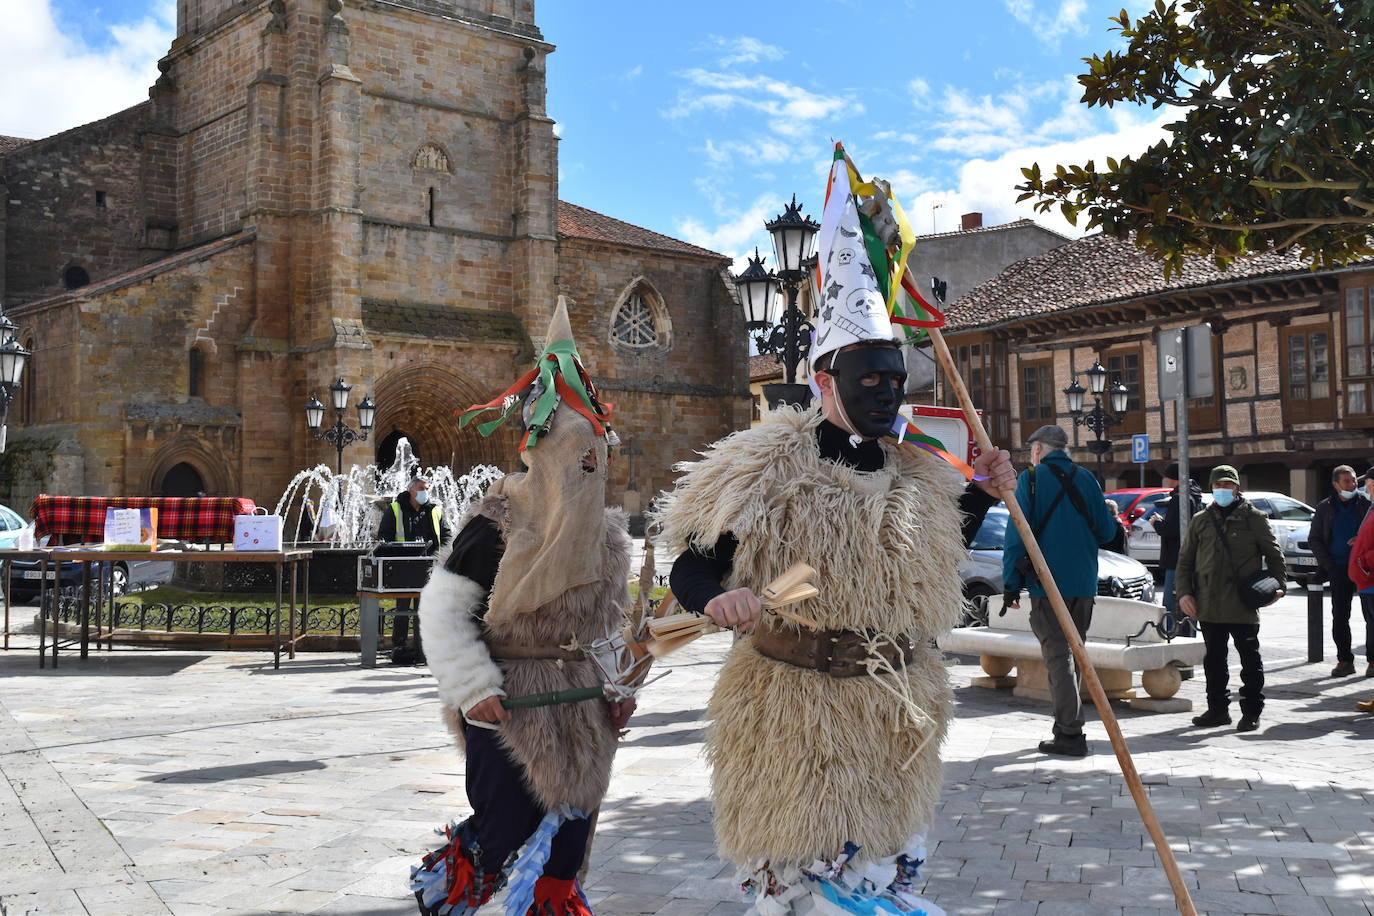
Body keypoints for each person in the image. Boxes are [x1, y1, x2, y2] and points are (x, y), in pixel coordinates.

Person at [658, 159, 1016, 912]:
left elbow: (935, 552)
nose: (889, 393)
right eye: (871, 379)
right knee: (810, 897)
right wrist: (718, 601)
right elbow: (690, 566)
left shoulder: (919, 470)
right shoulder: (765, 464)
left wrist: (984, 492)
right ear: (826, 381)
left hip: (897, 717)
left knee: (886, 886)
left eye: (896, 379)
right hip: (797, 718)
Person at [410, 299, 634, 916]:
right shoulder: (496, 523)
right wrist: (470, 685)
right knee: (504, 831)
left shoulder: (608, 537)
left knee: (569, 842)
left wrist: (618, 683)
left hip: (581, 706)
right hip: (509, 706)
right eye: (576, 460)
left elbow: (611, 624)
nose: (586, 473)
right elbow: (443, 610)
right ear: (546, 454)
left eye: (595, 462)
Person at [1001, 425, 1120, 758]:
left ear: (1038, 449)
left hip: (1046, 583)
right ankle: (1065, 725)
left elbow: (1016, 534)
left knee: (1058, 658)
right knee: (1075, 654)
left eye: (1030, 451)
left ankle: (1070, 733)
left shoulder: (1032, 480)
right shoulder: (1086, 479)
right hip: (1083, 582)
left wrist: (1011, 583)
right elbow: (1107, 530)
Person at [1176, 465, 1286, 732]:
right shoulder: (1201, 519)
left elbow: (1274, 555)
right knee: (1214, 661)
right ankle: (1217, 710)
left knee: (1250, 660)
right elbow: (1185, 561)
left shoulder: (1255, 518)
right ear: (1211, 488)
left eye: (1228, 485)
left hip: (1242, 602)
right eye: (1218, 485)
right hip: (1209, 602)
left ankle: (1251, 712)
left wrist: (1278, 585)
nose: (1223, 489)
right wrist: (1185, 593)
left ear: (1237, 487)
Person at [378, 476, 449, 665]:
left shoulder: (434, 510)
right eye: (421, 488)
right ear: (411, 490)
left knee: (424, 609)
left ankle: (422, 648)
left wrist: (441, 556)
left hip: (428, 568)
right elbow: (384, 536)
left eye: (427, 488)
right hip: (403, 567)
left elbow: (447, 535)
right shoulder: (395, 509)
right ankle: (399, 646)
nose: (425, 492)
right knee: (402, 607)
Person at [1311, 465, 1374, 677]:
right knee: (1340, 616)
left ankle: (1373, 661)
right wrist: (1328, 565)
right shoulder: (1325, 507)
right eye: (1347, 481)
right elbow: (1315, 538)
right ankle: (1345, 660)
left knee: (1371, 617)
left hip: (1366, 569)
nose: (1353, 485)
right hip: (1338, 568)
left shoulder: (1367, 504)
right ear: (1335, 484)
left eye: (1355, 480)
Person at [1150, 462, 1202, 634]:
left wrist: (1157, 523)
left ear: (1173, 479)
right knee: (1188, 602)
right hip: (1190, 556)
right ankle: (1189, 635)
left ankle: (1172, 637)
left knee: (1172, 604)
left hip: (1176, 559)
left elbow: (1171, 529)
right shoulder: (1194, 495)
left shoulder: (1180, 498)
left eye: (1166, 477)